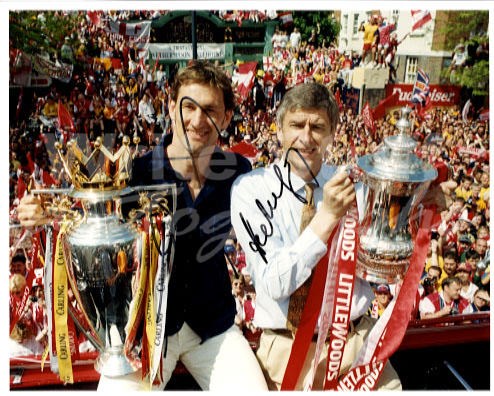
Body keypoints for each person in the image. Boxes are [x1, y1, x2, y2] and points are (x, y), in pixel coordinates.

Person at [17, 61, 268, 391]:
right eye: (188, 107)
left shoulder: (238, 169)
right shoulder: (132, 175)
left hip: (214, 327)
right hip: (144, 332)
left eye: (209, 110)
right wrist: (39, 210)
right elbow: (78, 217)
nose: (197, 120)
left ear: (225, 117)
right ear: (169, 106)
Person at [231, 82, 401, 390]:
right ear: (279, 130)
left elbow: (380, 266)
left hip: (357, 346)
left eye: (318, 126)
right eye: (296, 125)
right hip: (289, 351)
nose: (306, 137)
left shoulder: (355, 188)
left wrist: (413, 211)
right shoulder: (250, 189)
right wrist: (327, 218)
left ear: (333, 133)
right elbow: (273, 283)